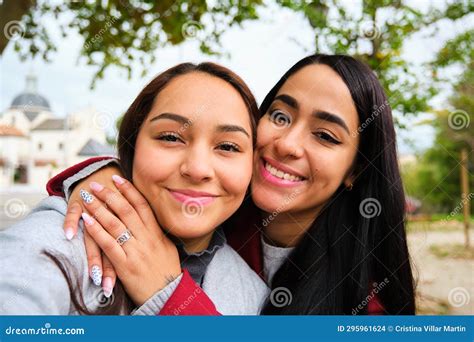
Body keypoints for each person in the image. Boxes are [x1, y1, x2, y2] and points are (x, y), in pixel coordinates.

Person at [47, 54, 416, 315]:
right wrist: (103, 180)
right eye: (280, 115)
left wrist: (167, 295)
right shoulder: (215, 209)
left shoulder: (365, 304)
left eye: (325, 135)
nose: (286, 143)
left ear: (355, 170)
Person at [0, 62, 269, 315]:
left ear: (252, 166)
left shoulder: (256, 296)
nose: (197, 169)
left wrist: (170, 295)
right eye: (170, 137)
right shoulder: (62, 238)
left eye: (228, 146)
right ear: (132, 148)